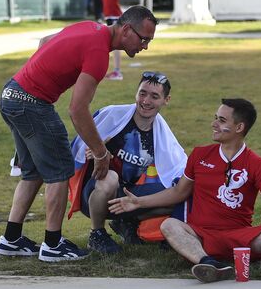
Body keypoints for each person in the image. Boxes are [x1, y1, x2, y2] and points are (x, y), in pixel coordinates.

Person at [0, 6, 158, 262]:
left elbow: (45, 42)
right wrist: (102, 153)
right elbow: (77, 109)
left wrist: (39, 77)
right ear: (126, 29)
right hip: (31, 103)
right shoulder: (98, 55)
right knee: (59, 171)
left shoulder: (89, 27)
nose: (145, 46)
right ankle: (53, 244)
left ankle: (11, 238)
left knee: (33, 172)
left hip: (11, 93)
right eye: (143, 38)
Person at [109, 98, 261, 283]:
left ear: (239, 128)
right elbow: (178, 193)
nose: (214, 124)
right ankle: (208, 264)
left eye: (221, 120)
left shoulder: (258, 164)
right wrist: (139, 202)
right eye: (216, 118)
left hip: (241, 239)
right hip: (201, 237)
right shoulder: (200, 155)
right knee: (170, 225)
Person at [68, 71, 187, 254]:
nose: (146, 101)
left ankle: (127, 223)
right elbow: (79, 150)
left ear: (166, 100)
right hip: (94, 193)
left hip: (128, 196)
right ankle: (97, 234)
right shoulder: (113, 116)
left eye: (154, 96)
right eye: (142, 93)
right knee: (111, 177)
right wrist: (94, 152)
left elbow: (180, 173)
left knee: (179, 194)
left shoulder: (163, 134)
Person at [102, 0, 124, 81]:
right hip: (110, 18)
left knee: (115, 47)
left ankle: (117, 72)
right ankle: (115, 71)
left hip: (115, 18)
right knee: (110, 46)